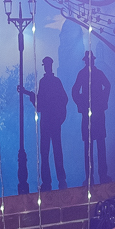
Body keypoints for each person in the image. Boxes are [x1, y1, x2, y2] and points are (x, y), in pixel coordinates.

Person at [19, 56, 70, 191]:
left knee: (52, 151)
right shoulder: (48, 82)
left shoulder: (53, 82)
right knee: (47, 151)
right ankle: (51, 180)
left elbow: (63, 99)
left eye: (48, 65)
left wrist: (59, 114)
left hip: (50, 120)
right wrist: (27, 93)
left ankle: (57, 180)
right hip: (49, 121)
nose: (47, 67)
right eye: (46, 65)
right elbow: (41, 102)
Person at [72, 51, 111, 185]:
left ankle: (98, 175)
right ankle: (94, 176)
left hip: (93, 114)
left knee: (96, 146)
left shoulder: (88, 74)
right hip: (92, 114)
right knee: (94, 146)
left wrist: (84, 104)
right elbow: (75, 92)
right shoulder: (89, 74)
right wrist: (82, 104)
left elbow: (75, 92)